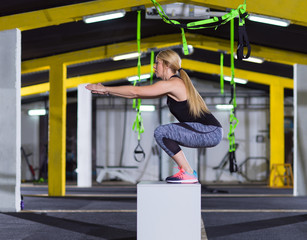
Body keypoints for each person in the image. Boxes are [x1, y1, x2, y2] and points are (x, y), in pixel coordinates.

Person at [85, 49, 223, 183]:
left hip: (210, 131)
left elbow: (135, 91)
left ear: (167, 65)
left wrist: (105, 88)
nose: (154, 66)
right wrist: (108, 92)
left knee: (162, 132)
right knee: (163, 133)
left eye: (157, 63)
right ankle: (187, 171)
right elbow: (136, 94)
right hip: (208, 131)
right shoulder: (172, 85)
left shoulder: (174, 83)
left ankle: (187, 171)